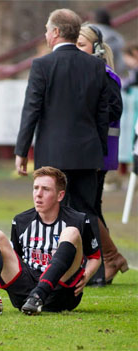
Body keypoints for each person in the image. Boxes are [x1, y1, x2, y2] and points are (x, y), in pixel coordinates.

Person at [15, 8, 109, 285]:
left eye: (47, 29)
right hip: (88, 151)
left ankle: (56, 270)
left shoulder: (42, 66)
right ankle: (98, 273)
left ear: (56, 32)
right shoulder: (96, 65)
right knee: (87, 211)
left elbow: (31, 109)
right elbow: (103, 113)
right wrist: (99, 148)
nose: (45, 34)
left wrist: (22, 151)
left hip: (53, 153)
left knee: (53, 213)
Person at [0, 167, 101, 315]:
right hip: (26, 294)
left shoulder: (78, 219)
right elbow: (14, 256)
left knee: (71, 232)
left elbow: (95, 257)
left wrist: (86, 275)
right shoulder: (21, 221)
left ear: (60, 195)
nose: (38, 194)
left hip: (60, 292)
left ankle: (39, 295)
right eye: (35, 188)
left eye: (46, 189)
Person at [76, 24, 128, 283]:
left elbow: (112, 112)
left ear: (95, 48)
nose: (77, 51)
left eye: (81, 45)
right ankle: (105, 261)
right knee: (91, 206)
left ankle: (110, 257)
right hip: (95, 150)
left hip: (100, 151)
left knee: (86, 207)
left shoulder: (105, 75)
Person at [90, 8, 127, 77]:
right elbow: (122, 60)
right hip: (115, 74)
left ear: (94, 19)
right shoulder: (117, 36)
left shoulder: (91, 33)